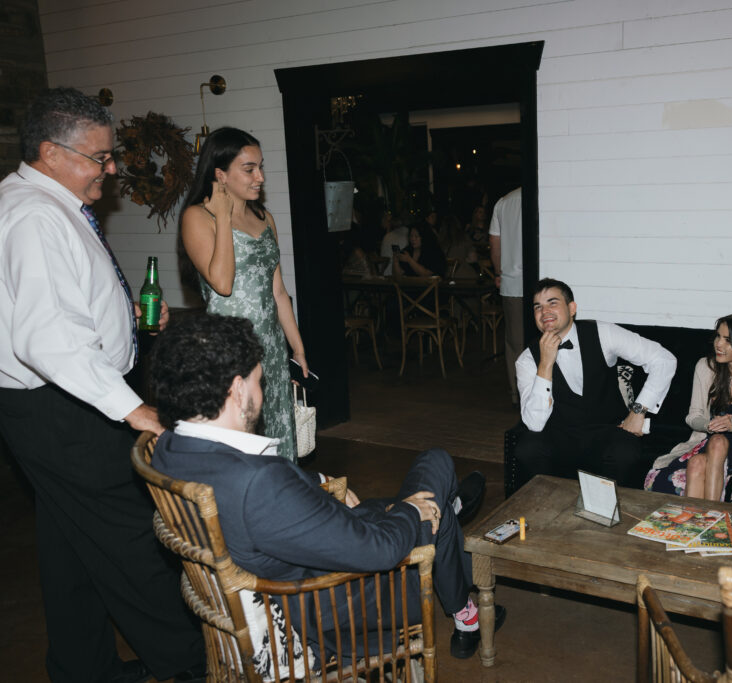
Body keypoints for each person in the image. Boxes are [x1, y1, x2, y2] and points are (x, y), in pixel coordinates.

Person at [148, 313, 504, 660]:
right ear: (238, 390)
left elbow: (264, 492)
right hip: (348, 598)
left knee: (424, 505)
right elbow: (379, 550)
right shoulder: (259, 485)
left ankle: (450, 512)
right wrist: (411, 510)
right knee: (436, 466)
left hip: (303, 557)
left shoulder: (168, 448)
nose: (263, 390)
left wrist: (316, 480)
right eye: (260, 380)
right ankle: (459, 578)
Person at [0, 87, 203, 683]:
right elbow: (47, 339)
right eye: (100, 157)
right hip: (63, 410)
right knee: (132, 540)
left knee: (68, 540)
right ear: (50, 152)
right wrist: (131, 406)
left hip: (57, 403)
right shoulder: (34, 215)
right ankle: (191, 665)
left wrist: (129, 316)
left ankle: (82, 668)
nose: (111, 169)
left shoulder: (43, 204)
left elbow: (64, 306)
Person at [180, 127, 308, 463]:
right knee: (243, 446)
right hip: (231, 354)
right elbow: (222, 283)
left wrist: (297, 346)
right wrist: (223, 216)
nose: (260, 177)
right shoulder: (198, 218)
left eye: (260, 167)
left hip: (272, 351)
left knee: (279, 438)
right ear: (220, 174)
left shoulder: (265, 219)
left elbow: (278, 291)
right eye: (249, 169)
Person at [514, 278, 677, 487]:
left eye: (552, 303)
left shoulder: (602, 333)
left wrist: (638, 410)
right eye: (538, 307)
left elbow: (663, 359)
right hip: (558, 435)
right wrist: (545, 364)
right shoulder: (527, 360)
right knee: (527, 448)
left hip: (606, 431)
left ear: (572, 308)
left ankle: (610, 513)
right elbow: (534, 424)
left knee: (625, 450)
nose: (544, 311)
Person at [644, 313, 732, 501]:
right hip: (709, 442)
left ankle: (710, 511)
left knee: (717, 442)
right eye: (718, 336)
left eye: (727, 340)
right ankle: (699, 521)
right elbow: (693, 417)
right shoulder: (706, 366)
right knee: (699, 460)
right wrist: (709, 425)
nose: (719, 344)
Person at [489, 187, 524, 404]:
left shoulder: (504, 202)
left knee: (515, 343)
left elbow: (495, 244)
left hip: (512, 284)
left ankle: (517, 393)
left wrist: (498, 272)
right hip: (545, 284)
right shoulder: (546, 193)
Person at [437, 213, 478, 278]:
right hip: (466, 276)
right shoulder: (464, 238)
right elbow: (473, 258)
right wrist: (462, 260)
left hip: (445, 277)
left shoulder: (439, 241)